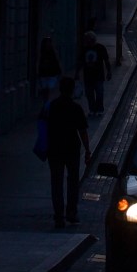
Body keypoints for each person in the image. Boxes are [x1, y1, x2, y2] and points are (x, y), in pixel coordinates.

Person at [47, 76, 92, 228]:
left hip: (55, 149)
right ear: (72, 90)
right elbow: (82, 131)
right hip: (72, 148)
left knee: (56, 182)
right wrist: (87, 150)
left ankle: (58, 216)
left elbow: (45, 127)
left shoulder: (52, 106)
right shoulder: (76, 108)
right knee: (73, 181)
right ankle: (71, 213)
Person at [75, 31, 112, 117]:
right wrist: (77, 73)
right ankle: (92, 109)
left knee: (99, 93)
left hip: (98, 75)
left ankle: (99, 109)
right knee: (89, 94)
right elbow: (80, 62)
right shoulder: (84, 49)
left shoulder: (100, 48)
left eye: (88, 39)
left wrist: (109, 71)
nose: (87, 41)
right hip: (88, 76)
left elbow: (106, 60)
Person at [37, 36, 62, 103]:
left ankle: (47, 103)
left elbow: (56, 62)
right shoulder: (43, 53)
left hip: (51, 74)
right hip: (45, 74)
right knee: (46, 90)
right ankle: (46, 103)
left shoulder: (52, 53)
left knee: (49, 90)